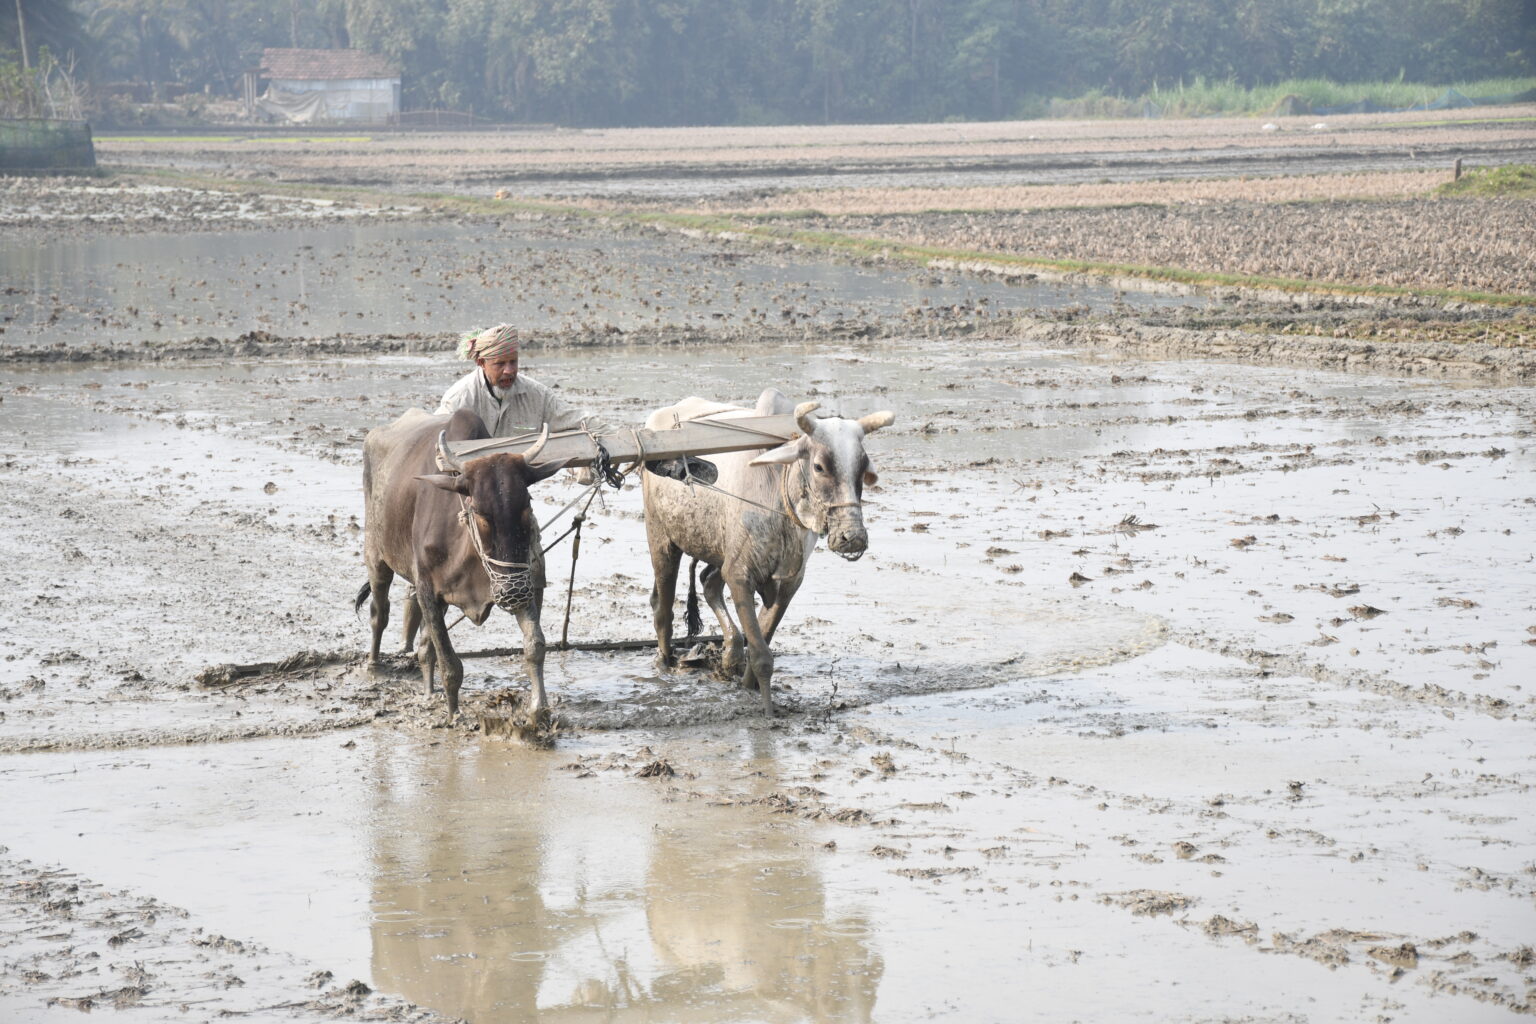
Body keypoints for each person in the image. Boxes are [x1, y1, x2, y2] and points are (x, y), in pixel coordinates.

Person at [436, 323, 609, 437]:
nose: (509, 371)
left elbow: (576, 419)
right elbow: (433, 441)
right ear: (481, 363)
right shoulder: (460, 399)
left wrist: (620, 436)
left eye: (513, 362)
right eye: (500, 364)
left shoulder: (538, 396)